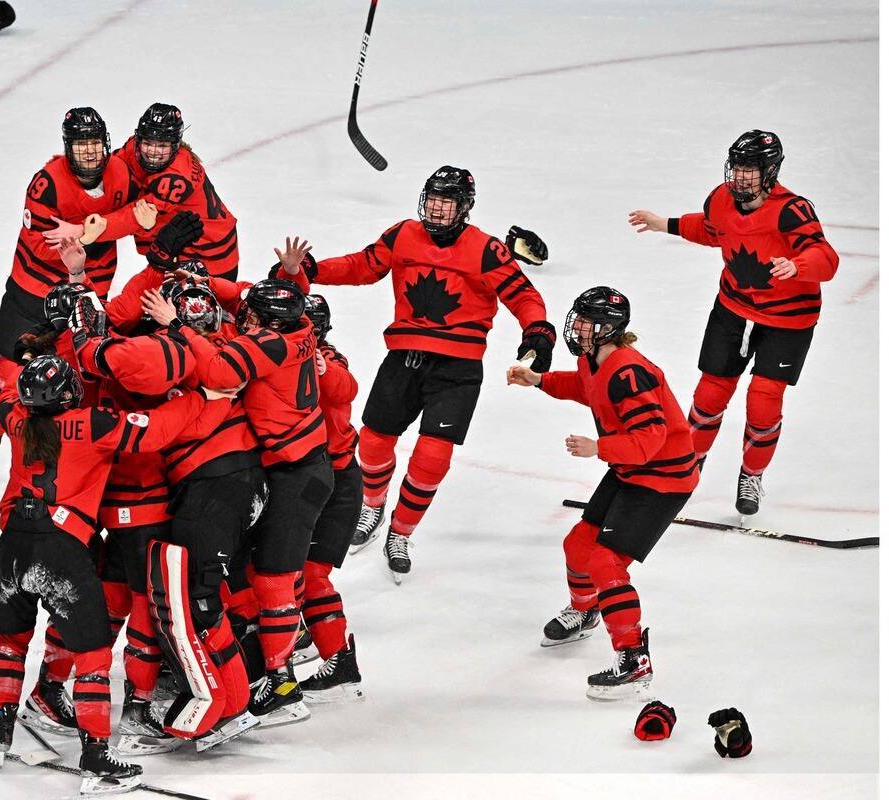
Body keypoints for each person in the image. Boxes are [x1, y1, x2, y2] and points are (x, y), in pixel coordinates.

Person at [275, 166, 554, 581]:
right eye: (433, 199)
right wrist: (308, 269)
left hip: (458, 367)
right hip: (404, 355)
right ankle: (373, 506)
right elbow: (362, 266)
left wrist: (538, 331)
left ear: (464, 207)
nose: (437, 209)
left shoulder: (486, 250)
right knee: (372, 443)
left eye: (447, 202)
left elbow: (523, 294)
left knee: (433, 457)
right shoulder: (403, 234)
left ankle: (401, 532)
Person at [0, 350, 236, 791]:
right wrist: (202, 398)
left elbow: (4, 392)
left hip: (10, 548)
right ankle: (96, 758)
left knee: (9, 642)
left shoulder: (14, 417)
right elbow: (156, 431)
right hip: (60, 549)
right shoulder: (91, 423)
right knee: (93, 657)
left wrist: (24, 358)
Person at [628, 130, 839, 517]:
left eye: (750, 169)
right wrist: (665, 224)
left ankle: (752, 475)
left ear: (770, 171)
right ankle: (685, 467)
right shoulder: (720, 199)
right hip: (734, 309)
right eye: (737, 167)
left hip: (788, 320)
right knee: (710, 394)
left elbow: (826, 257)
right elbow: (712, 230)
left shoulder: (792, 210)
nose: (740, 176)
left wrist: (798, 266)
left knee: (763, 400)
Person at [506, 287, 698, 701]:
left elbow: (650, 439)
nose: (576, 327)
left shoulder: (629, 373)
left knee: (605, 561)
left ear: (608, 329)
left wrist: (598, 448)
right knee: (578, 545)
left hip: (663, 478)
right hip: (632, 469)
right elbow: (586, 387)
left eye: (585, 321)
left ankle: (633, 660)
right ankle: (586, 611)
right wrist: (539, 380)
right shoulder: (594, 360)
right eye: (577, 318)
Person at [161, 278, 333, 724]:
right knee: (263, 574)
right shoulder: (297, 329)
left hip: (297, 474)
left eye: (254, 315)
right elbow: (250, 308)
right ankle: (274, 664)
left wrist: (179, 326)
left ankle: (283, 683)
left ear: (270, 322)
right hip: (303, 466)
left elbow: (221, 373)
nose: (245, 317)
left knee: (275, 580)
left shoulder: (270, 343)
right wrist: (206, 282)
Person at [0, 107, 156, 479]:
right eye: (80, 144)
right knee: (11, 366)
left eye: (94, 143)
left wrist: (95, 229)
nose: (89, 152)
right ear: (68, 147)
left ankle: (68, 445)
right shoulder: (46, 184)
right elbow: (39, 245)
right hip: (34, 289)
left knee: (79, 367)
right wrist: (91, 233)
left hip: (89, 287)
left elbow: (140, 215)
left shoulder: (121, 173)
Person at [44, 103, 240, 280]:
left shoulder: (177, 178)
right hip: (177, 250)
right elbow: (113, 170)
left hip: (208, 258)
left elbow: (133, 217)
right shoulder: (133, 148)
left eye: (162, 145)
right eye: (148, 142)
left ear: (175, 144)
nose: (153, 151)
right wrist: (74, 166)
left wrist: (82, 230)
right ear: (139, 139)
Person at [295, 294, 364, 702]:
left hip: (336, 483)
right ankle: (306, 637)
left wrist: (321, 368)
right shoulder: (282, 356)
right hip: (311, 479)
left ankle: (338, 659)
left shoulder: (328, 360)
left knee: (310, 574)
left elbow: (345, 386)